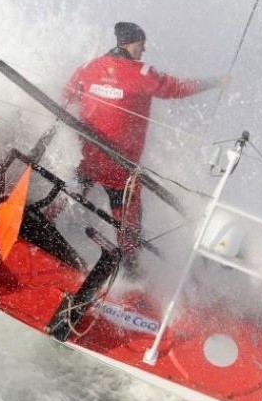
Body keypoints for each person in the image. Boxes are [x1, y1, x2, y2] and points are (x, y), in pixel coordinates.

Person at [61, 21, 227, 277]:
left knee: (62, 196)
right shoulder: (142, 73)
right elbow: (178, 89)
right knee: (129, 233)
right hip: (121, 172)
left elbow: (67, 96)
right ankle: (131, 275)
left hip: (87, 160)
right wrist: (215, 82)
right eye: (142, 44)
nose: (144, 49)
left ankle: (44, 224)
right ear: (130, 44)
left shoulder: (89, 67)